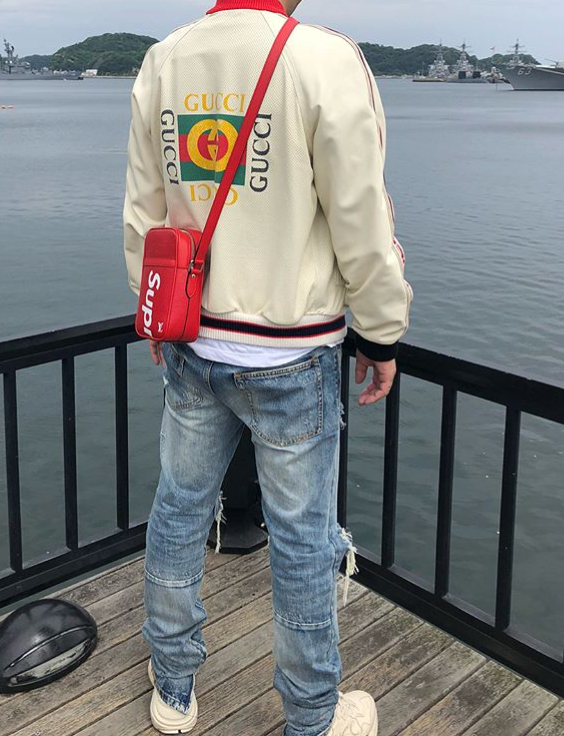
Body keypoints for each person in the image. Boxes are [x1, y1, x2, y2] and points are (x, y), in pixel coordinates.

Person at [123, 1, 413, 734]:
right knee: (303, 543)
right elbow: (360, 216)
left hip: (193, 343)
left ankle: (174, 689)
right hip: (291, 352)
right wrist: (381, 332)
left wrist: (152, 308)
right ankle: (312, 718)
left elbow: (143, 209)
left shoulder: (166, 58)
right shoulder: (322, 57)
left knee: (179, 510)